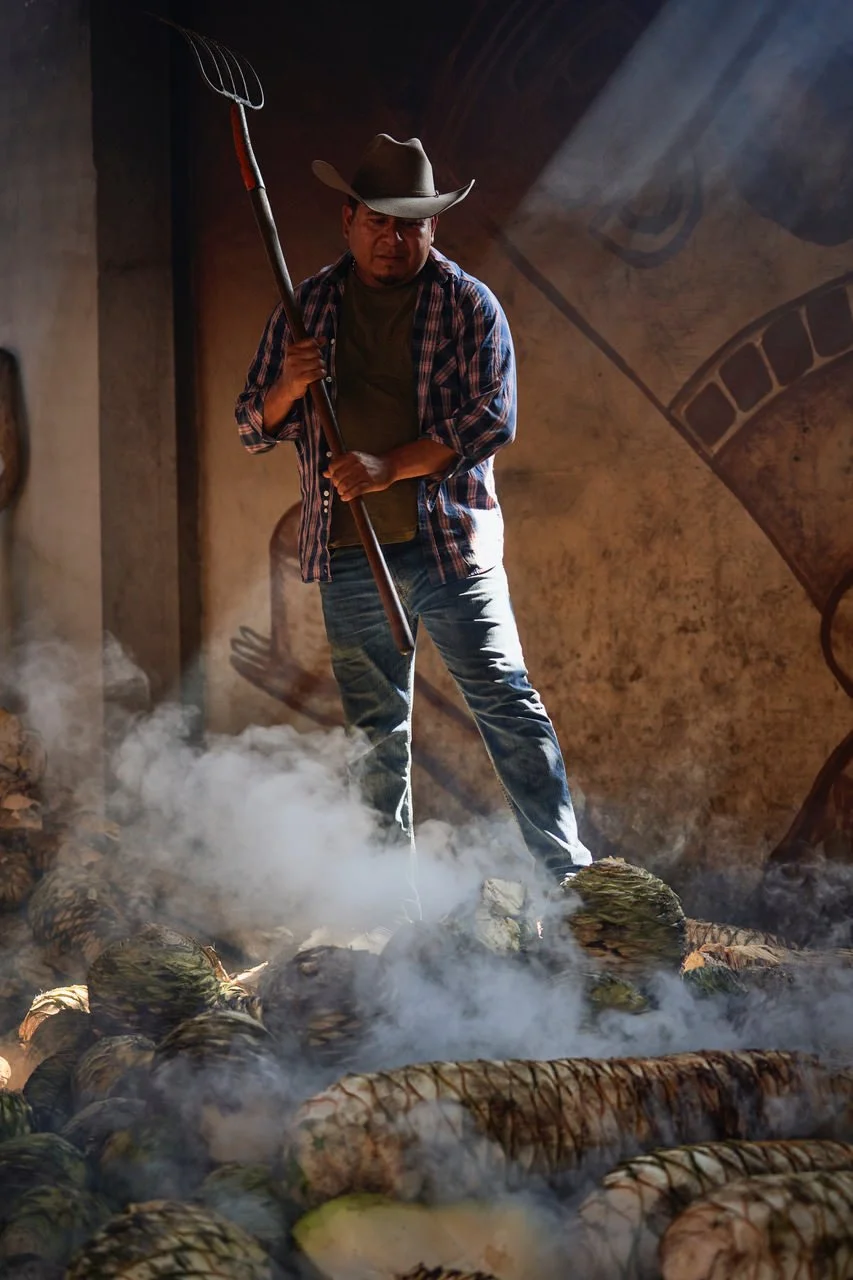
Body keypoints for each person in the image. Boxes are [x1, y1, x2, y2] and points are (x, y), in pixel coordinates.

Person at [235, 133, 591, 928]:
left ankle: (569, 885)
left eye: (412, 226)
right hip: (350, 555)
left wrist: (387, 467)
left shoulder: (467, 306)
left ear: (432, 229)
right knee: (374, 735)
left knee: (506, 704)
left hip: (451, 552)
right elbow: (250, 425)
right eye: (380, 223)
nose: (395, 240)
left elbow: (488, 421)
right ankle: (387, 912)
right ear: (348, 219)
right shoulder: (310, 309)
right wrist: (289, 389)